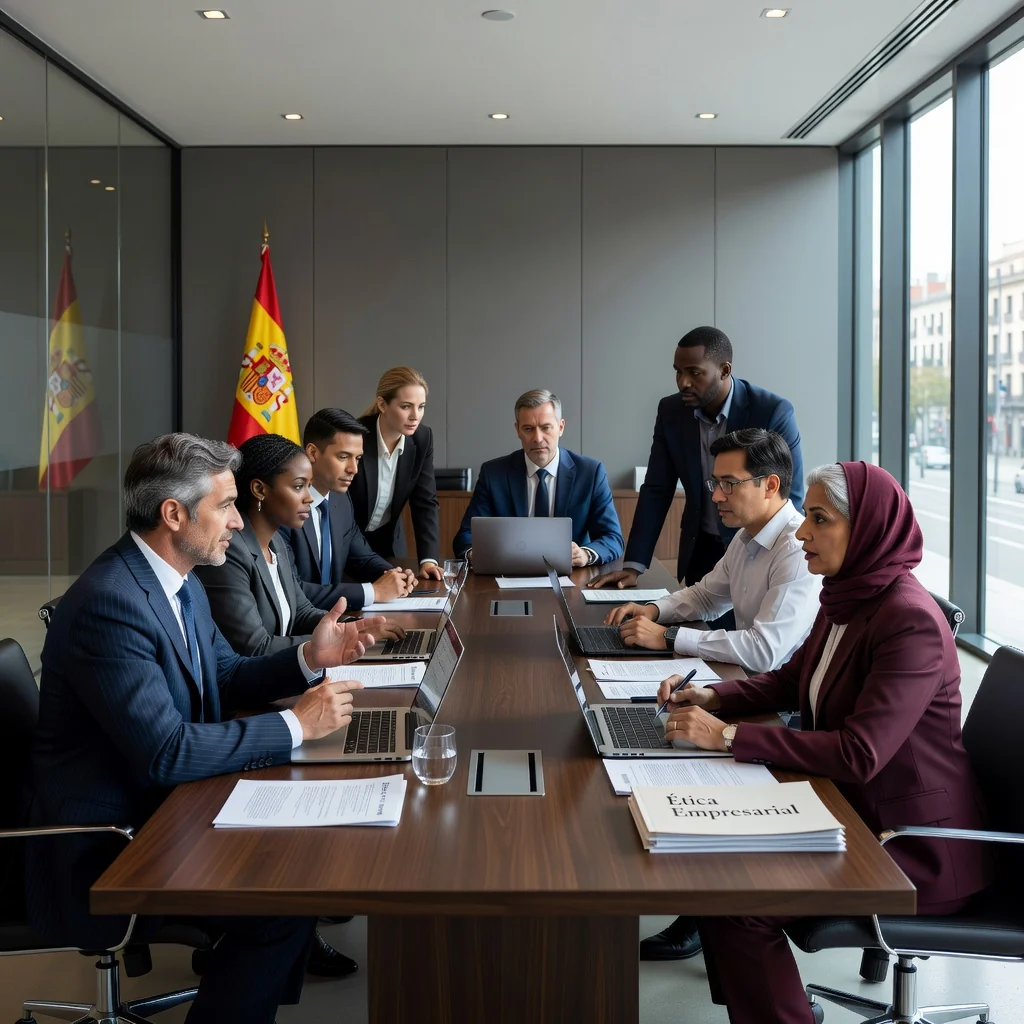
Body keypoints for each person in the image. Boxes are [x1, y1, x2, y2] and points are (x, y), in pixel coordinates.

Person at [26, 433, 385, 1024]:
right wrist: (296, 724)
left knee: (300, 871)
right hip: (110, 844)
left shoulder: (179, 578)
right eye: (226, 506)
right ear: (174, 514)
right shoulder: (110, 604)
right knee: (283, 900)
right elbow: (165, 751)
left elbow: (225, 673)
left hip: (167, 807)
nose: (239, 521)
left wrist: (308, 659)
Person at [655, 461, 991, 1024]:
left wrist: (729, 737)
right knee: (713, 868)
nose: (802, 533)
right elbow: (793, 680)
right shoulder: (848, 594)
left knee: (737, 901)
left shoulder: (909, 621)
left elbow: (860, 753)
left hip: (909, 847)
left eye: (820, 519)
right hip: (853, 813)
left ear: (868, 529)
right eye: (806, 517)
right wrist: (713, 697)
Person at [613, 428, 820, 963]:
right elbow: (708, 595)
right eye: (714, 483)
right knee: (663, 728)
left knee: (686, 755)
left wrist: (669, 639)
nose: (716, 496)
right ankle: (701, 900)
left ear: (770, 484)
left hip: (787, 709)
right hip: (754, 689)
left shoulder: (796, 548)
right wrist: (656, 610)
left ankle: (711, 908)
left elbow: (766, 651)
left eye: (729, 483)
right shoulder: (748, 536)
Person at [589, 326, 804, 594]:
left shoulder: (772, 411)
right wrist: (634, 565)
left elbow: (790, 494)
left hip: (757, 549)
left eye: (694, 372)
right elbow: (657, 489)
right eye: (678, 372)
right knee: (696, 613)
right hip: (701, 547)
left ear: (724, 370)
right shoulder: (671, 411)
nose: (683, 382)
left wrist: (785, 560)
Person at [453, 389, 624, 566]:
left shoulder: (590, 473)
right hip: (508, 571)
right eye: (528, 429)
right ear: (517, 430)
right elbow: (466, 536)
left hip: (572, 574)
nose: (538, 438)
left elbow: (612, 538)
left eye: (545, 427)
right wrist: (475, 554)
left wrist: (585, 554)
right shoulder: (493, 474)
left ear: (561, 427)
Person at [283, 407, 417, 611]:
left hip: (335, 620)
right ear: (312, 453)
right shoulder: (284, 506)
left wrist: (394, 575)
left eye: (358, 458)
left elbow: (361, 559)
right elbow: (293, 591)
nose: (353, 469)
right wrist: (374, 592)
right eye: (343, 456)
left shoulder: (340, 500)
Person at [350, 366, 442, 579]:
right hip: (348, 542)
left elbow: (425, 502)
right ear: (382, 404)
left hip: (389, 542)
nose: (415, 416)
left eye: (421, 407)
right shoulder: (355, 436)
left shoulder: (422, 438)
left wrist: (428, 560)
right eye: (406, 406)